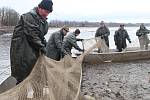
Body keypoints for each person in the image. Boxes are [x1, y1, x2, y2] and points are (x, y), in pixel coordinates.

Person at [10, 0, 53, 84]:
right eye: (46, 11)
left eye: (48, 13)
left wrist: (45, 44)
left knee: (33, 72)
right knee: (22, 75)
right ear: (39, 8)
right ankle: (22, 94)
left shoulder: (43, 21)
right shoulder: (28, 17)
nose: (46, 14)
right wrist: (42, 48)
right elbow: (32, 35)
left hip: (32, 50)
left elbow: (40, 36)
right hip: (21, 51)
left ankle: (31, 92)